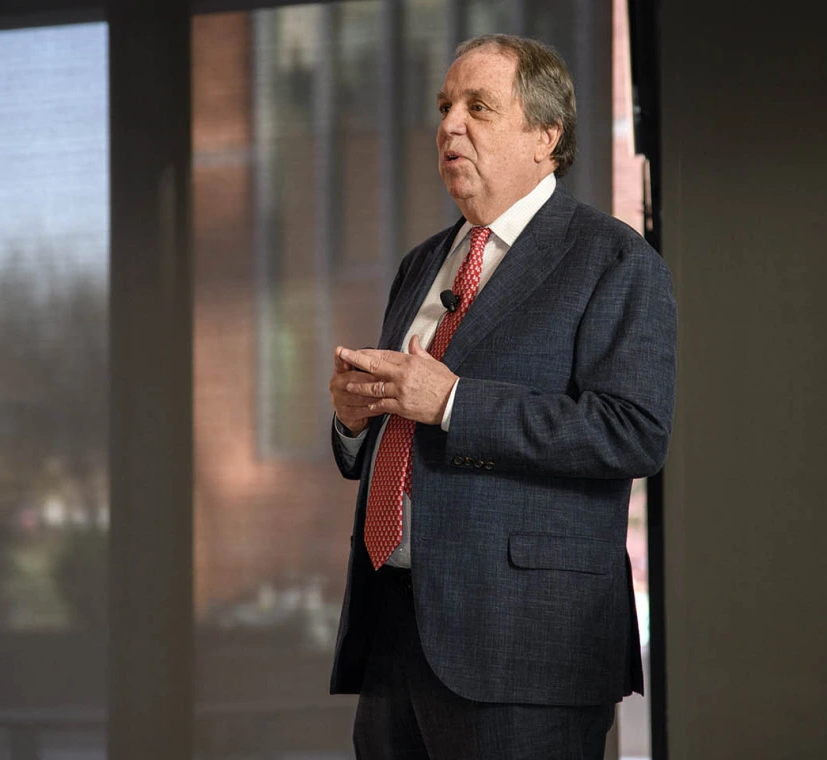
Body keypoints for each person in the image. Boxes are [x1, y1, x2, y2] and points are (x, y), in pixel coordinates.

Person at [328, 34, 676, 759]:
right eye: (445, 106)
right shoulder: (423, 263)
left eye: (478, 107)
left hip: (526, 645)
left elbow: (633, 431)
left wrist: (456, 404)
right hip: (396, 630)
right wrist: (354, 419)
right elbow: (402, 422)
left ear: (545, 137)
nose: (449, 125)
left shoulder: (613, 259)